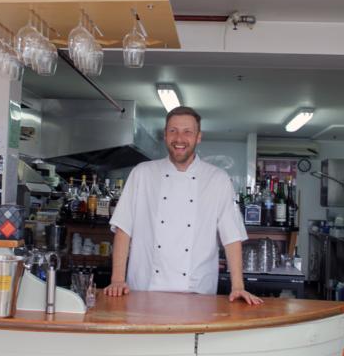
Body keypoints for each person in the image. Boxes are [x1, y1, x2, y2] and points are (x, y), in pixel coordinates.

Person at [104, 106, 262, 305]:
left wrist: (238, 286)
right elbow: (123, 228)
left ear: (198, 137)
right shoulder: (142, 173)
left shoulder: (217, 179)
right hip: (144, 291)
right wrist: (117, 279)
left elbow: (231, 236)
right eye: (173, 131)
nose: (179, 138)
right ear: (165, 135)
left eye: (187, 132)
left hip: (198, 294)